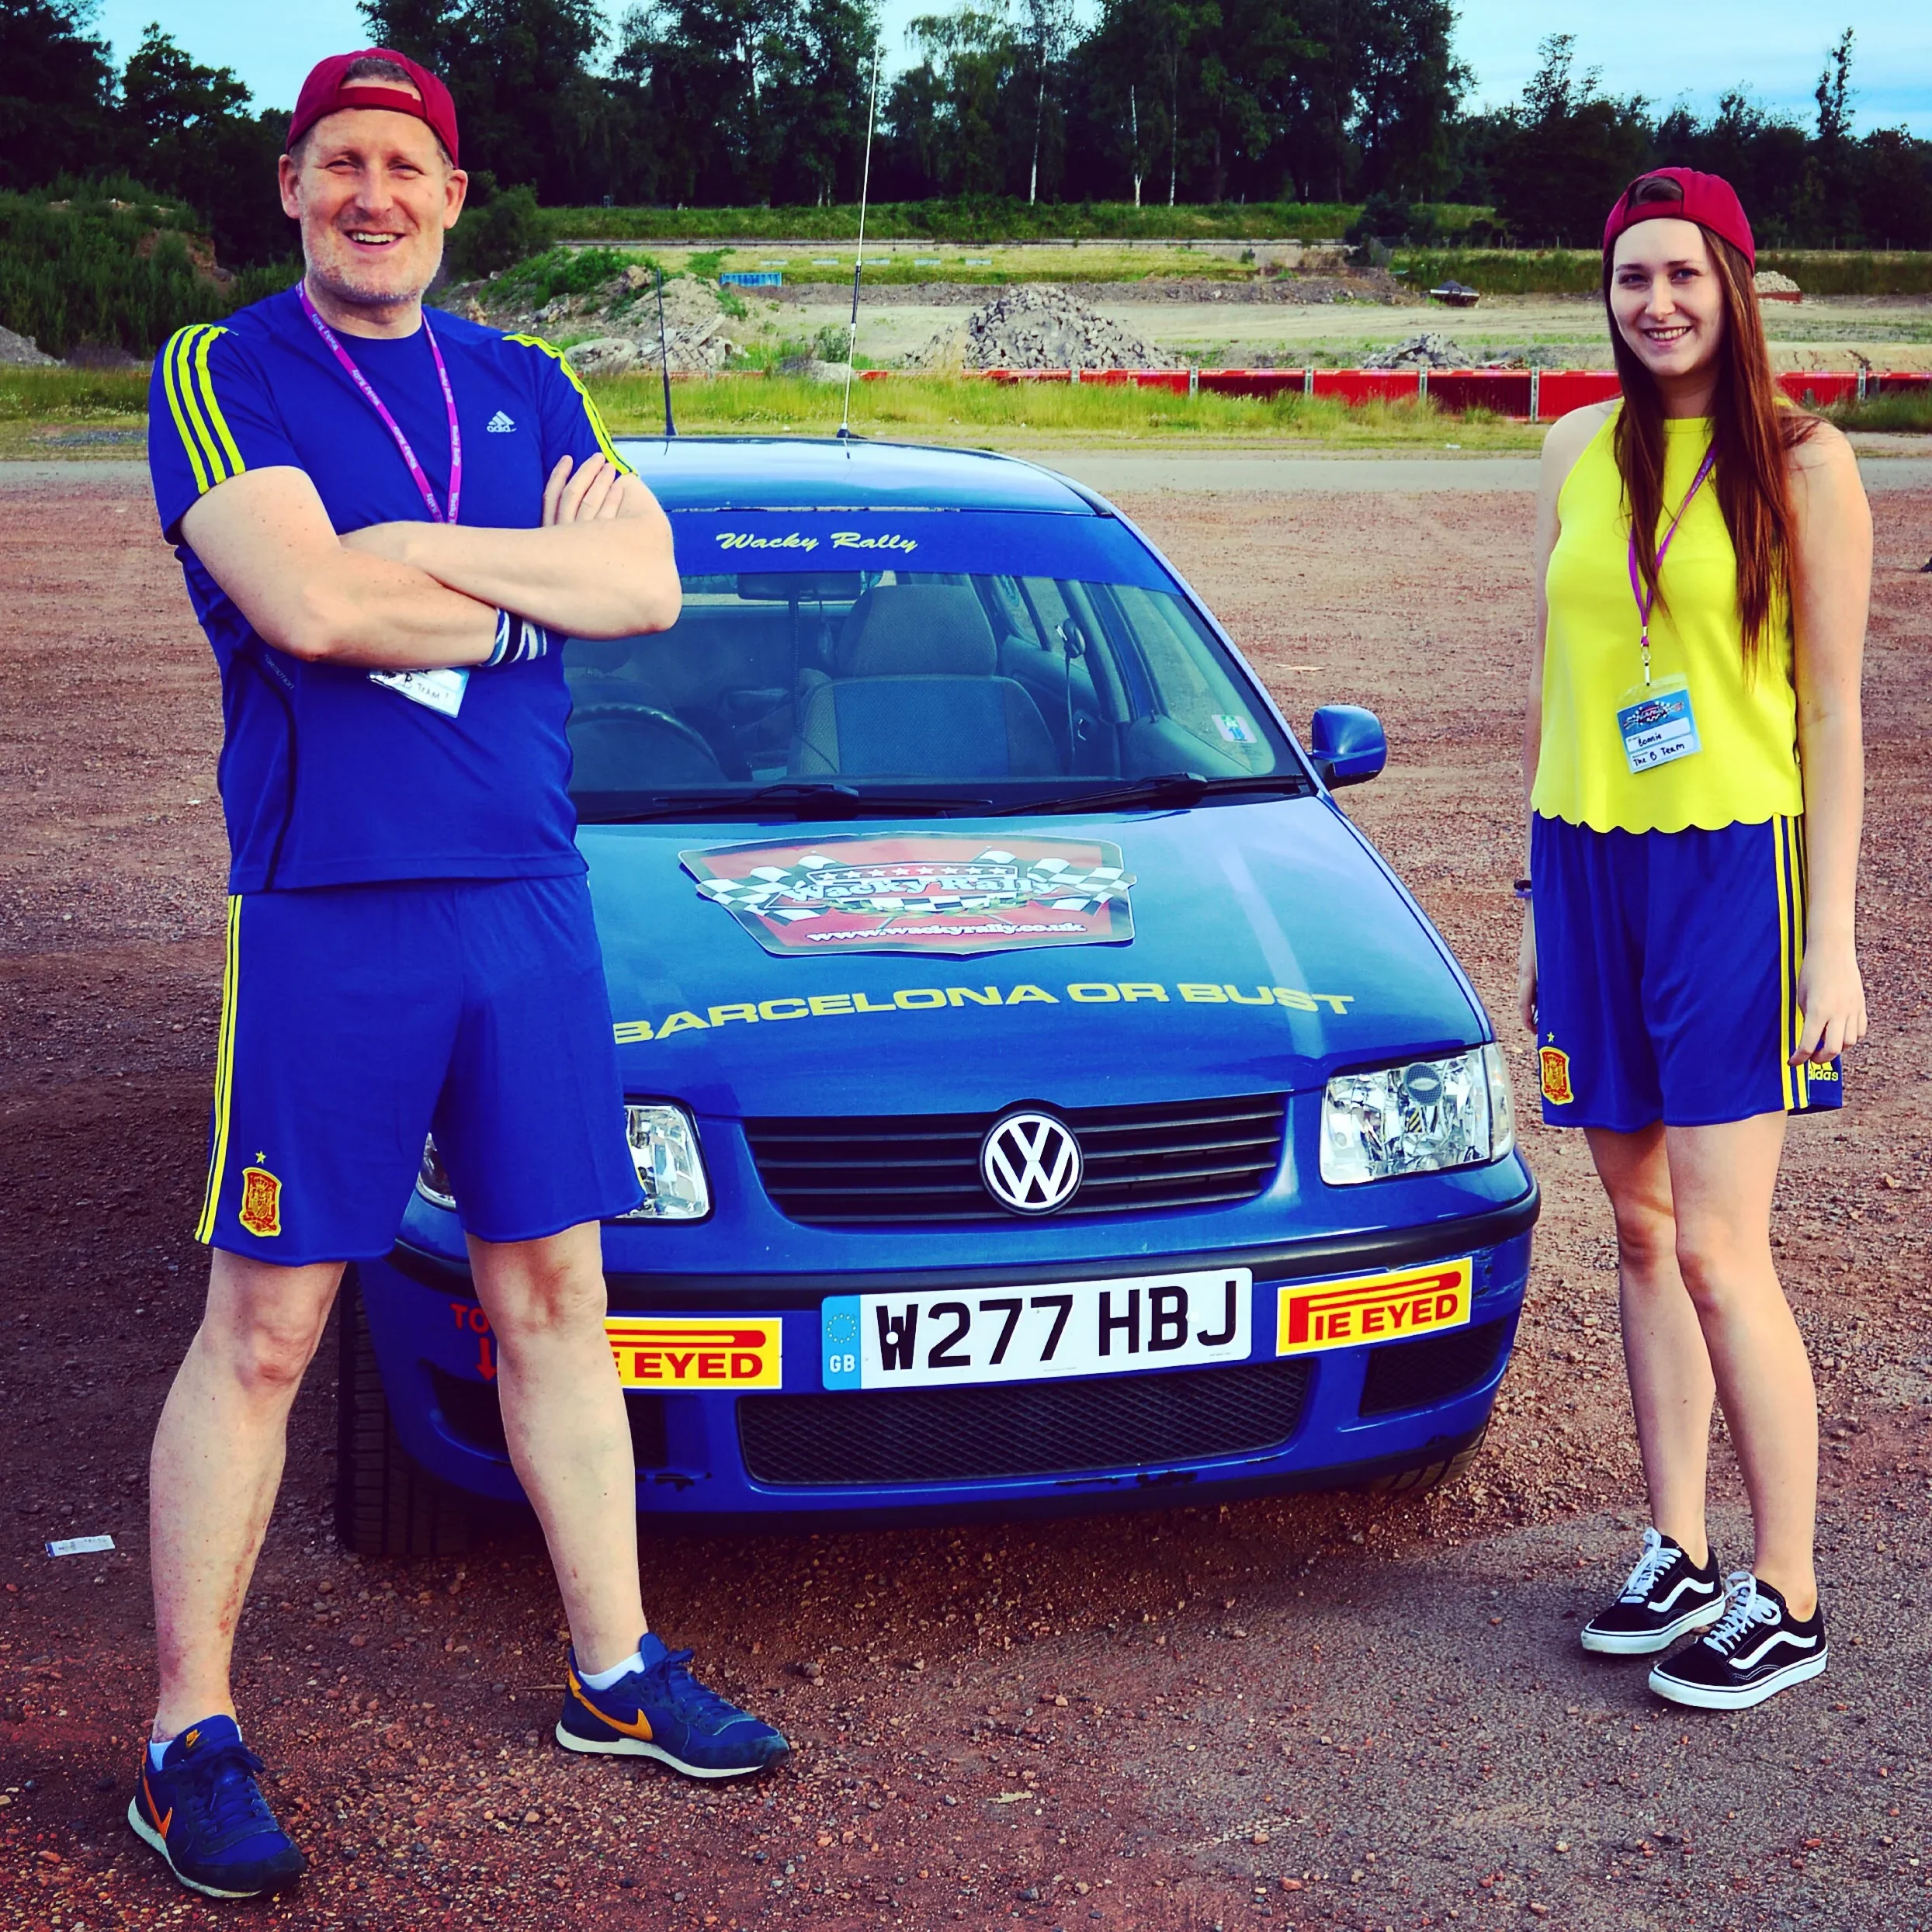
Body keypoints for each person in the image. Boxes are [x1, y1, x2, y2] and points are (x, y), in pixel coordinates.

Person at [134, 49, 787, 1901]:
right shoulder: (223, 371)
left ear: (450, 192)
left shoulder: (529, 379)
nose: (373, 193)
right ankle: (188, 1735)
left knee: (554, 1291)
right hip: (333, 905)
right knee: (267, 1327)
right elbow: (310, 608)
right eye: (341, 161)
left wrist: (412, 548)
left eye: (404, 166)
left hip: (525, 893)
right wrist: (513, 590)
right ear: (290, 184)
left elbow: (649, 589)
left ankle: (614, 1669)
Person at [1518, 168, 1870, 1711]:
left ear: (1736, 284)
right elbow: (1560, 680)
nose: (1651, 301)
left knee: (1725, 1247)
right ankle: (1670, 1540)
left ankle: (1783, 1584)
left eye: (1679, 274)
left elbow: (1836, 713)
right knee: (1641, 1224)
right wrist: (1542, 910)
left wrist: (1832, 941)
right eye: (1626, 277)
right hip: (1585, 854)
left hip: (1736, 862)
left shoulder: (1802, 462)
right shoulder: (1568, 451)